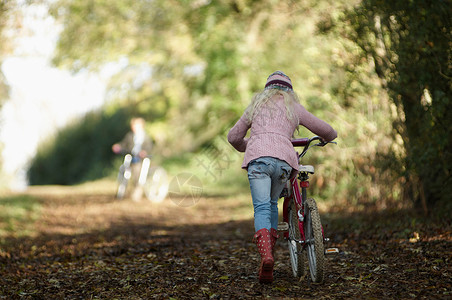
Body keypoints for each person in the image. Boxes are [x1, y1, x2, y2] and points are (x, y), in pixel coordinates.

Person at [227, 71, 337, 283]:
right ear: (290, 91)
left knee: (261, 207)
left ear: (266, 90)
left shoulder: (256, 107)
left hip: (259, 161)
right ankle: (271, 255)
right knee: (271, 205)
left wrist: (250, 145)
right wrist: (327, 138)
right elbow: (328, 130)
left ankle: (267, 256)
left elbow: (233, 137)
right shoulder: (293, 107)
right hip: (284, 162)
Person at [112, 117, 153, 201]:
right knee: (123, 170)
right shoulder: (130, 136)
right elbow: (124, 144)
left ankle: (137, 191)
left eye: (136, 126)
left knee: (137, 173)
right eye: (133, 126)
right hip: (130, 157)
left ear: (141, 126)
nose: (134, 127)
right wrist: (118, 146)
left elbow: (149, 148)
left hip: (140, 160)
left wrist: (144, 152)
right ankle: (121, 190)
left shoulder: (146, 137)